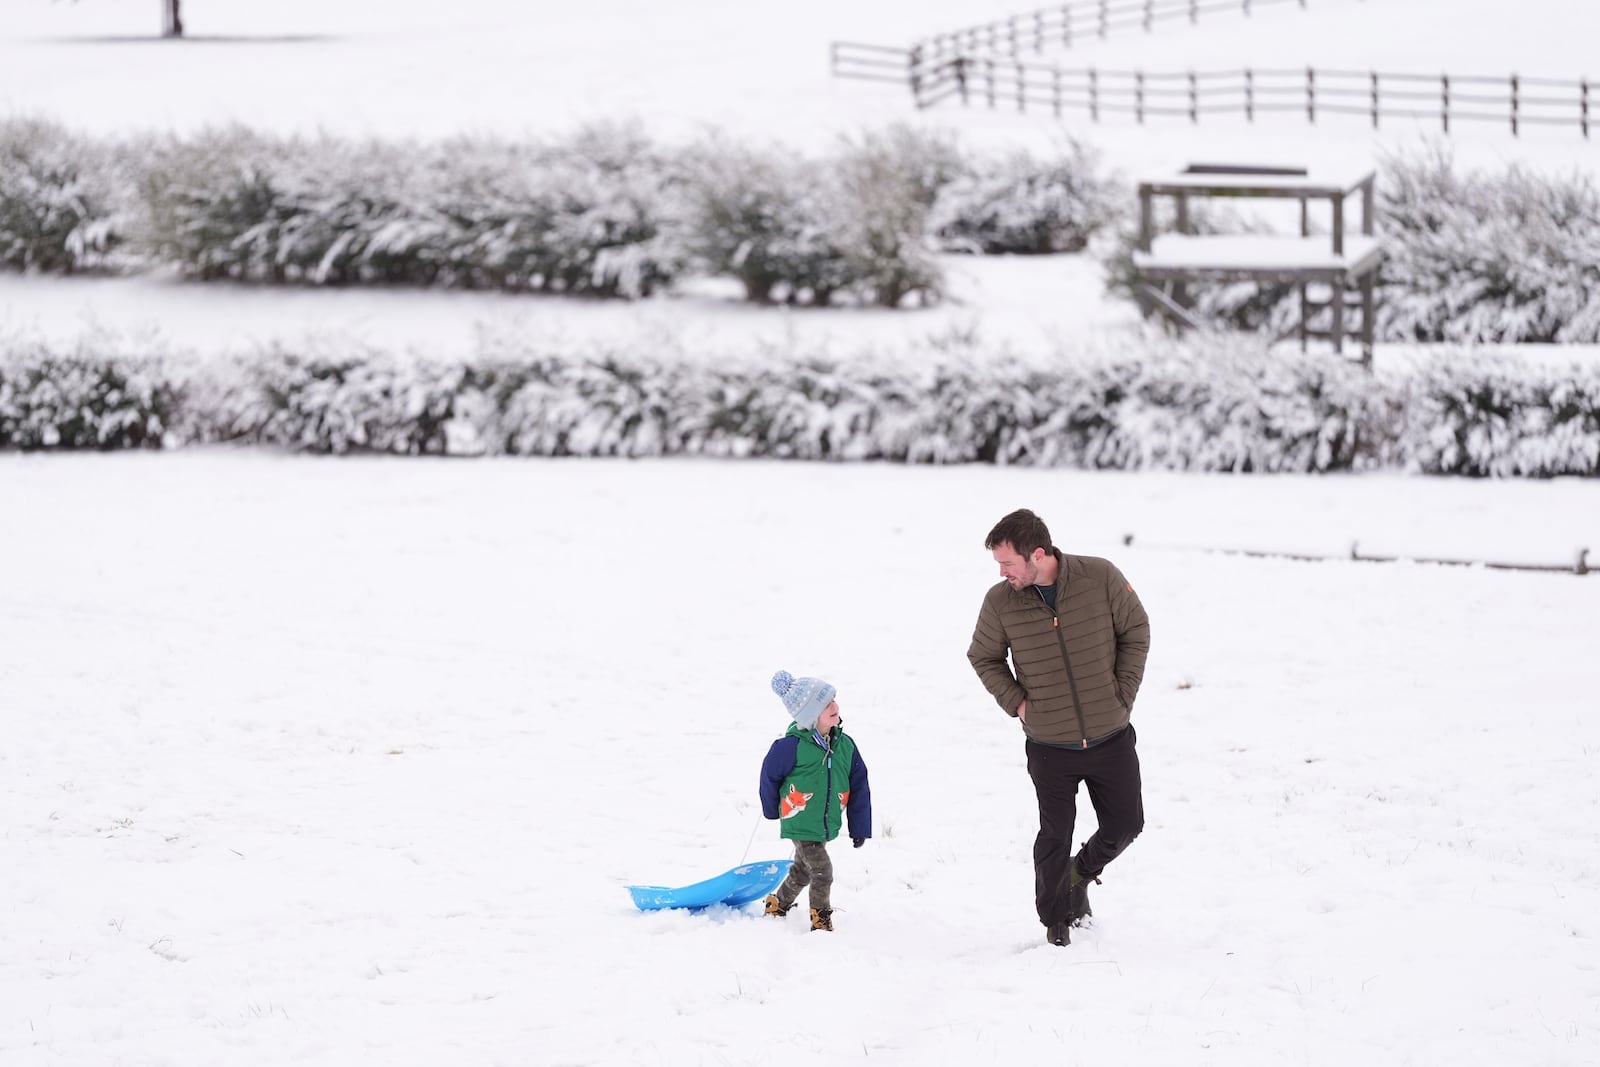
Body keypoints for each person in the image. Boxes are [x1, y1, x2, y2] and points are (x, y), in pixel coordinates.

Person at [966, 508, 1150, 947]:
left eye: (1008, 563)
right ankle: (1056, 920)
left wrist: (1120, 694)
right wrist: (1018, 704)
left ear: (1039, 554)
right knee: (1054, 833)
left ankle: (1080, 872)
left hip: (1110, 734)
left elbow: (1136, 630)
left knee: (1126, 824)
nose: (1002, 573)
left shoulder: (1100, 577)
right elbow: (983, 656)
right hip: (1049, 744)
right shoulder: (1000, 602)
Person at [759, 669, 872, 932]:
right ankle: (820, 921)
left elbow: (859, 786)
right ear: (809, 716)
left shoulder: (845, 746)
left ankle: (778, 904)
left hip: (823, 822)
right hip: (800, 820)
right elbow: (769, 776)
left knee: (803, 870)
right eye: (825, 705)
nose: (834, 706)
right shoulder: (790, 747)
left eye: (834, 699)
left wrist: (859, 826)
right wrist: (771, 810)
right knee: (823, 871)